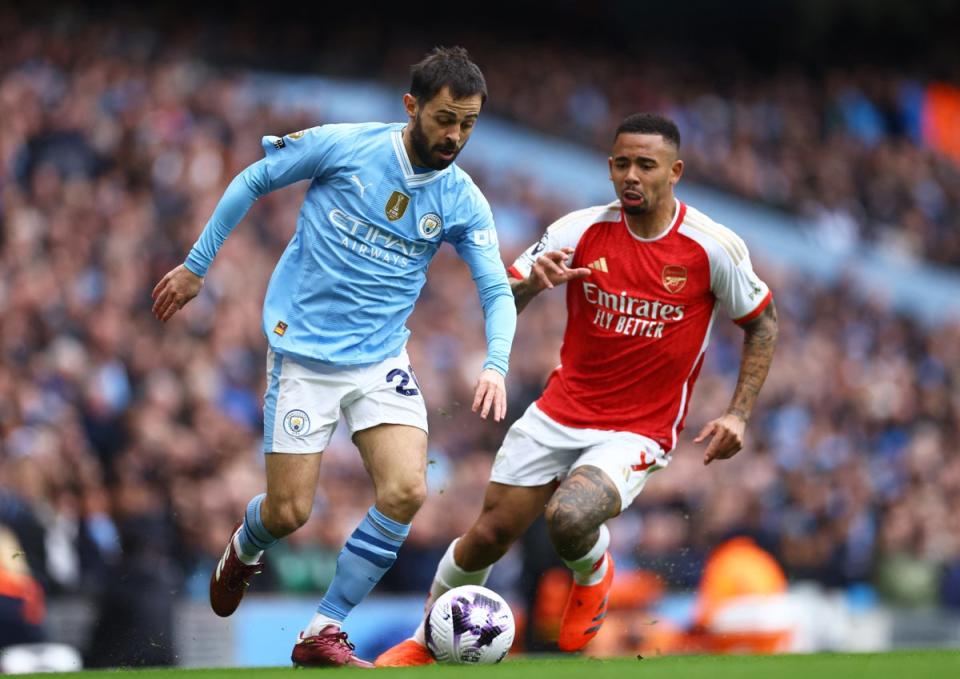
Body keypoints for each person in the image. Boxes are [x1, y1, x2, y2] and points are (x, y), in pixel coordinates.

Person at [151, 46, 516, 668]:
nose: (455, 135)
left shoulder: (462, 199)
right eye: (445, 119)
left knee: (406, 490)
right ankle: (247, 543)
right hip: (303, 356)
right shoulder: (346, 146)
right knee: (289, 512)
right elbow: (254, 179)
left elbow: (494, 288)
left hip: (379, 361)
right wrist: (196, 265)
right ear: (412, 106)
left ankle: (323, 629)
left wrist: (497, 363)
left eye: (468, 123)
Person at [377, 112, 779, 666]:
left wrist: (738, 413)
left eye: (645, 164)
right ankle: (426, 643)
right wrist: (532, 286)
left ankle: (594, 571)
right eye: (621, 163)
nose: (630, 175)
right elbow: (500, 296)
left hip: (638, 428)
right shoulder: (579, 230)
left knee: (568, 516)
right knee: (488, 535)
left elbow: (762, 321)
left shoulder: (711, 247)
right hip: (559, 411)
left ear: (675, 171)